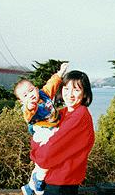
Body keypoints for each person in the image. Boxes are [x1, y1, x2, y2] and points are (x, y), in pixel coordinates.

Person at [30, 70, 95, 195]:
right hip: (54, 181)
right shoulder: (63, 113)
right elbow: (36, 134)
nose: (70, 94)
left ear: (85, 93)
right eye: (66, 89)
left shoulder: (80, 115)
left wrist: (37, 155)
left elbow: (50, 151)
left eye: (76, 90)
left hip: (62, 184)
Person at [14, 63, 68, 195]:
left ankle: (30, 186)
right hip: (42, 132)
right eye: (25, 95)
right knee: (48, 156)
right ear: (21, 101)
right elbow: (28, 114)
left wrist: (60, 73)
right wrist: (30, 106)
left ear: (37, 89)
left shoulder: (44, 94)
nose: (30, 95)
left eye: (31, 90)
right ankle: (39, 182)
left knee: (46, 161)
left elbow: (52, 83)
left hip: (52, 128)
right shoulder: (28, 108)